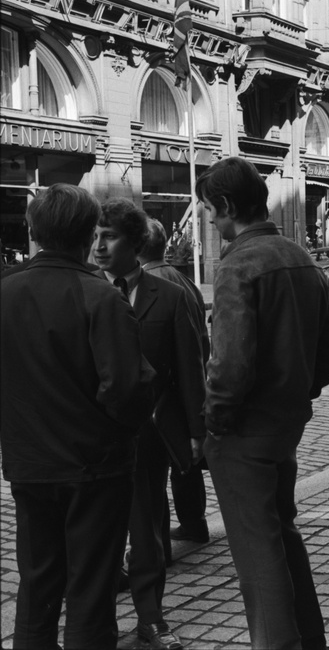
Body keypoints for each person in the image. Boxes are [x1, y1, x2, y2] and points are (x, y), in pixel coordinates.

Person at [197, 156, 329, 650]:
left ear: (225, 206)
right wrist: (298, 389)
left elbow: (229, 366)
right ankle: (309, 639)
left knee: (258, 556)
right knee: (282, 535)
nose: (211, 221)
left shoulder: (237, 264)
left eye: (210, 211)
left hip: (244, 433)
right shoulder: (299, 256)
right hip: (286, 427)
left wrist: (215, 422)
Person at [1, 184, 155, 649]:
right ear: (88, 234)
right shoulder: (101, 297)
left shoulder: (5, 293)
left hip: (30, 465)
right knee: (90, 590)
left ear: (33, 231)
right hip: (95, 468)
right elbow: (127, 389)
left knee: (37, 585)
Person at [93, 199, 206, 650]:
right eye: (95, 236)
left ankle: (151, 618)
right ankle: (97, 622)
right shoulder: (84, 291)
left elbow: (189, 368)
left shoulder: (170, 296)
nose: (99, 246)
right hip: (94, 437)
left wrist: (196, 431)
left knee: (147, 534)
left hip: (149, 436)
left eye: (109, 236)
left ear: (136, 243)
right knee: (97, 533)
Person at [138, 218, 212, 544]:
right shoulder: (185, 281)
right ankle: (194, 522)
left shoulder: (148, 285)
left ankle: (160, 544)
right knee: (185, 460)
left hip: (164, 391)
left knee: (155, 470)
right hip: (190, 383)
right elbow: (202, 340)